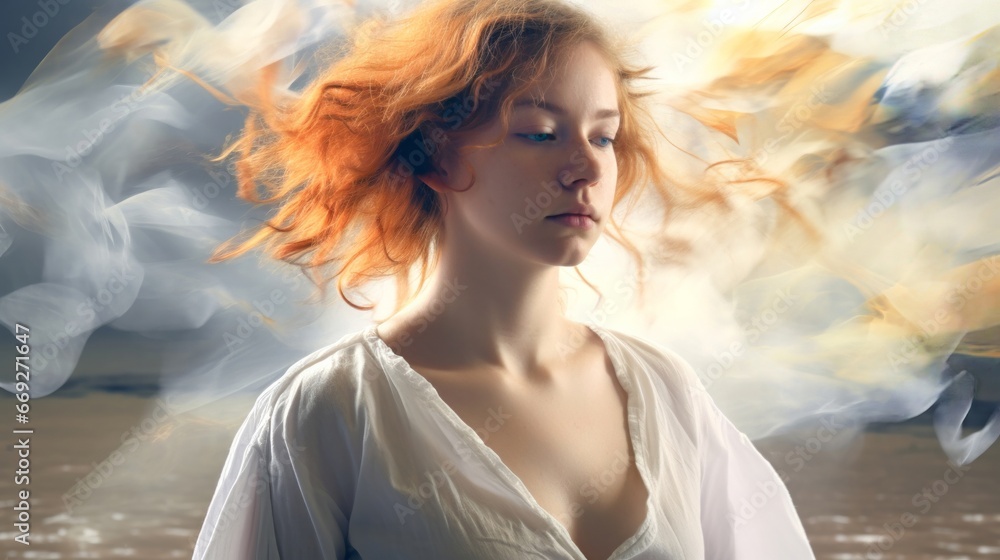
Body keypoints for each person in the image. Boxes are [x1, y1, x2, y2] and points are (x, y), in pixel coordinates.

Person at [191, 0, 815, 557]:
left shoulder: (665, 391)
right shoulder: (332, 410)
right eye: (539, 133)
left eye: (604, 136)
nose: (585, 168)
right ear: (433, 154)